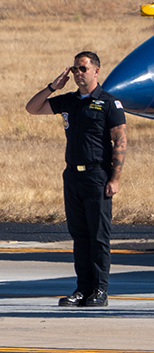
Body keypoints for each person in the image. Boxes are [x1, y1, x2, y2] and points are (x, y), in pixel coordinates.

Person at [25, 51, 126, 307]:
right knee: (79, 236)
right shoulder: (69, 101)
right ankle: (82, 289)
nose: (78, 74)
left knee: (99, 236)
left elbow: (120, 142)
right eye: (75, 70)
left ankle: (100, 290)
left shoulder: (108, 103)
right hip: (72, 176)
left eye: (83, 69)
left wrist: (114, 178)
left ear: (96, 71)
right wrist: (52, 86)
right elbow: (32, 108)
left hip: (97, 175)